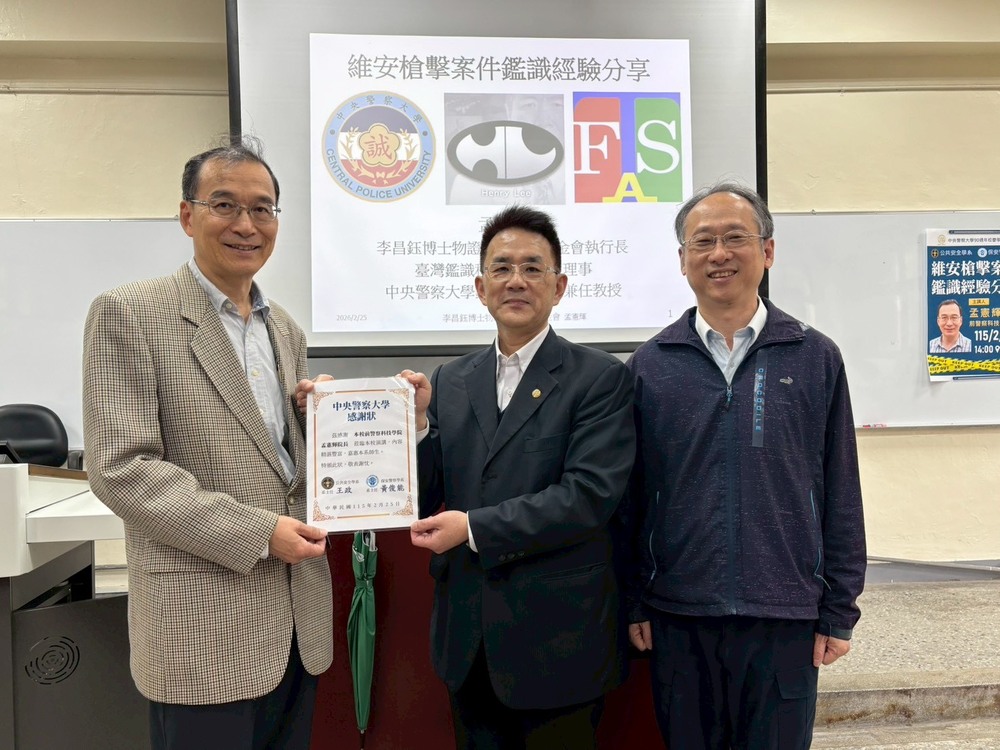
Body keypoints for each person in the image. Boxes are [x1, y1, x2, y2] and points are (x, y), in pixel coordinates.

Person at [82, 138, 333, 750]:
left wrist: (323, 420)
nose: (247, 224)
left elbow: (278, 465)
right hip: (202, 629)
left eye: (263, 208)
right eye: (225, 205)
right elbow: (122, 470)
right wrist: (260, 534)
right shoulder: (129, 313)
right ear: (187, 215)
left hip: (296, 625)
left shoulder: (285, 329)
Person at [623, 182, 867, 749]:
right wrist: (635, 599)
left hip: (785, 614)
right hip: (679, 614)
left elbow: (841, 489)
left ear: (768, 251)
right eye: (702, 241)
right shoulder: (650, 366)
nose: (719, 254)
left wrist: (839, 609)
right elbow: (632, 499)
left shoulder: (815, 356)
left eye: (735, 237)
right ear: (682, 259)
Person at [402, 205, 636, 749]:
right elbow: (429, 494)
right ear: (480, 287)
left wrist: (473, 528)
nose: (516, 281)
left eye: (533, 268)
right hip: (468, 640)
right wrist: (417, 426)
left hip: (560, 641)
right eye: (502, 268)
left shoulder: (600, 378)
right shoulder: (450, 379)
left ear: (559, 286)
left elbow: (587, 497)